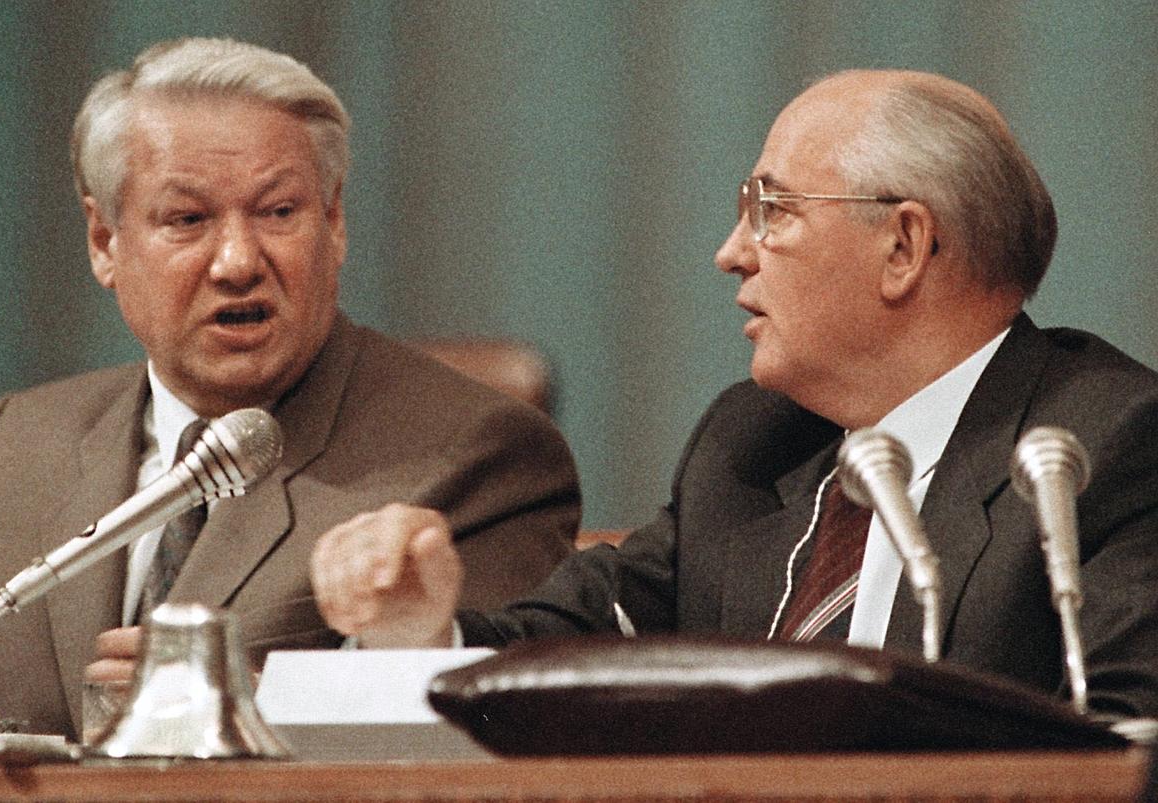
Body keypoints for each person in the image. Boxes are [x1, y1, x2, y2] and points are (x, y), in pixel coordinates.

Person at [310, 69, 1158, 720]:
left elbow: (1130, 744)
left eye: (771, 210)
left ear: (904, 245)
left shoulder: (1105, 449)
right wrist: (422, 630)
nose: (730, 252)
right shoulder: (752, 445)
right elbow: (580, 643)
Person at [0, 37, 580, 739]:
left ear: (335, 222)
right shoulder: (18, 444)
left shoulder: (479, 457)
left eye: (278, 212)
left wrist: (271, 714)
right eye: (188, 219)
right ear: (105, 242)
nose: (237, 261)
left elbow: (504, 729)